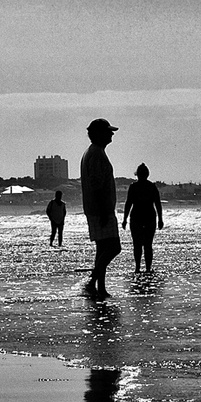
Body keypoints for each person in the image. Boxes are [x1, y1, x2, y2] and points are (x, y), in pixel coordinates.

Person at [79, 118, 121, 298]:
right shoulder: (96, 154)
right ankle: (91, 282)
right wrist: (105, 210)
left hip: (95, 208)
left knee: (102, 249)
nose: (112, 134)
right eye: (108, 131)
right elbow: (97, 185)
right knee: (114, 247)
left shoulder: (92, 152)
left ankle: (100, 288)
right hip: (100, 209)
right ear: (98, 134)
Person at [121, 163, 164, 272]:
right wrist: (160, 219)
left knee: (137, 244)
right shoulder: (152, 186)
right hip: (149, 217)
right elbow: (158, 204)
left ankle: (137, 268)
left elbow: (128, 204)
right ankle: (148, 269)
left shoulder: (133, 187)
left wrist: (125, 219)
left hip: (136, 217)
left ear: (137, 174)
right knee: (148, 245)